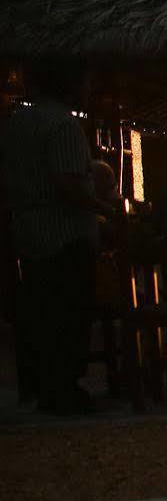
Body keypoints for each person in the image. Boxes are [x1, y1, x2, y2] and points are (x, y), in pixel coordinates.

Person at [3, 69, 117, 414]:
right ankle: (64, 391)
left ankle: (45, 388)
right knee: (69, 313)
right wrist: (104, 210)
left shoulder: (17, 122)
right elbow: (68, 184)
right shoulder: (62, 125)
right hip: (63, 234)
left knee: (43, 312)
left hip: (29, 231)